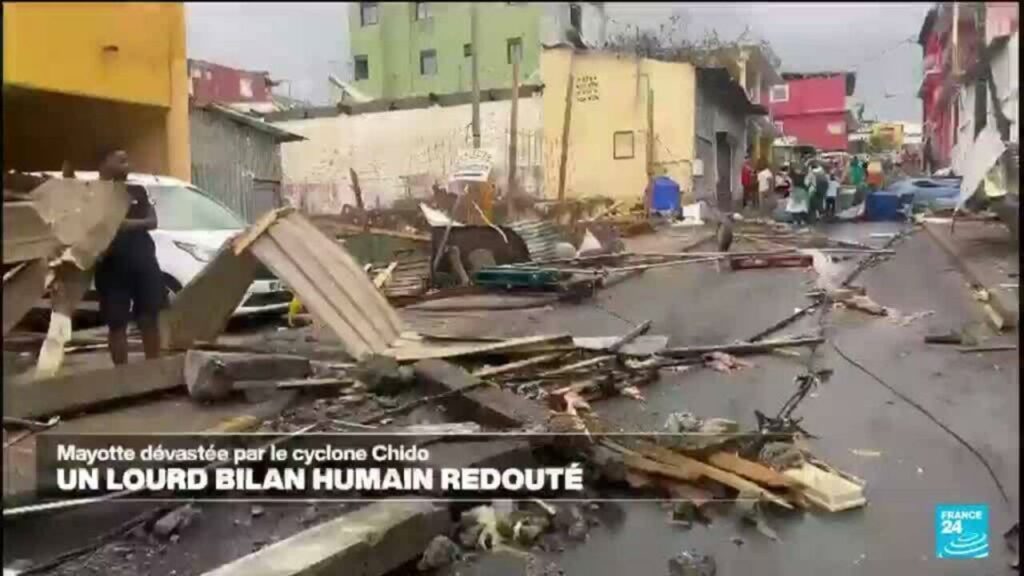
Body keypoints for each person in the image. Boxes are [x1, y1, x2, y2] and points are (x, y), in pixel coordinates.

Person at [94, 149, 166, 365]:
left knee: (149, 318)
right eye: (120, 160)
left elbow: (153, 221)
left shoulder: (138, 191)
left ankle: (154, 370)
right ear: (104, 163)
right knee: (117, 324)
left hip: (144, 263)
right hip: (112, 267)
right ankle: (122, 377)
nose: (127, 164)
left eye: (128, 159)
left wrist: (122, 224)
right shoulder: (94, 194)